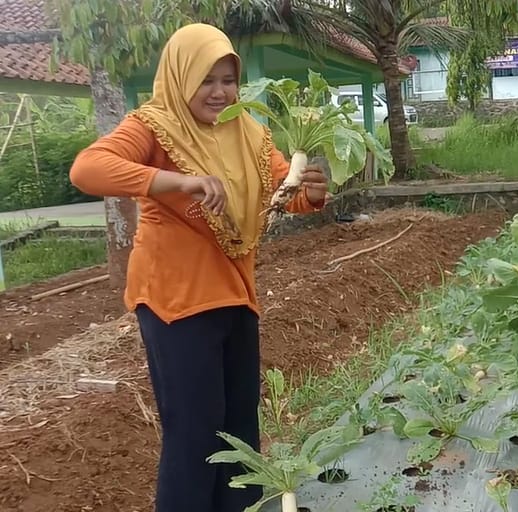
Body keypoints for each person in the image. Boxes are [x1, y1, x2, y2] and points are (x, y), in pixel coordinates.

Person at [69, 23, 329, 512]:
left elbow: (279, 196)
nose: (219, 92)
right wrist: (172, 181)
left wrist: (309, 194)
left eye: (228, 79)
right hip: (176, 302)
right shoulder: (153, 125)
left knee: (240, 428)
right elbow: (87, 169)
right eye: (206, 80)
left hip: (235, 293)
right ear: (180, 77)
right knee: (194, 432)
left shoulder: (248, 131)